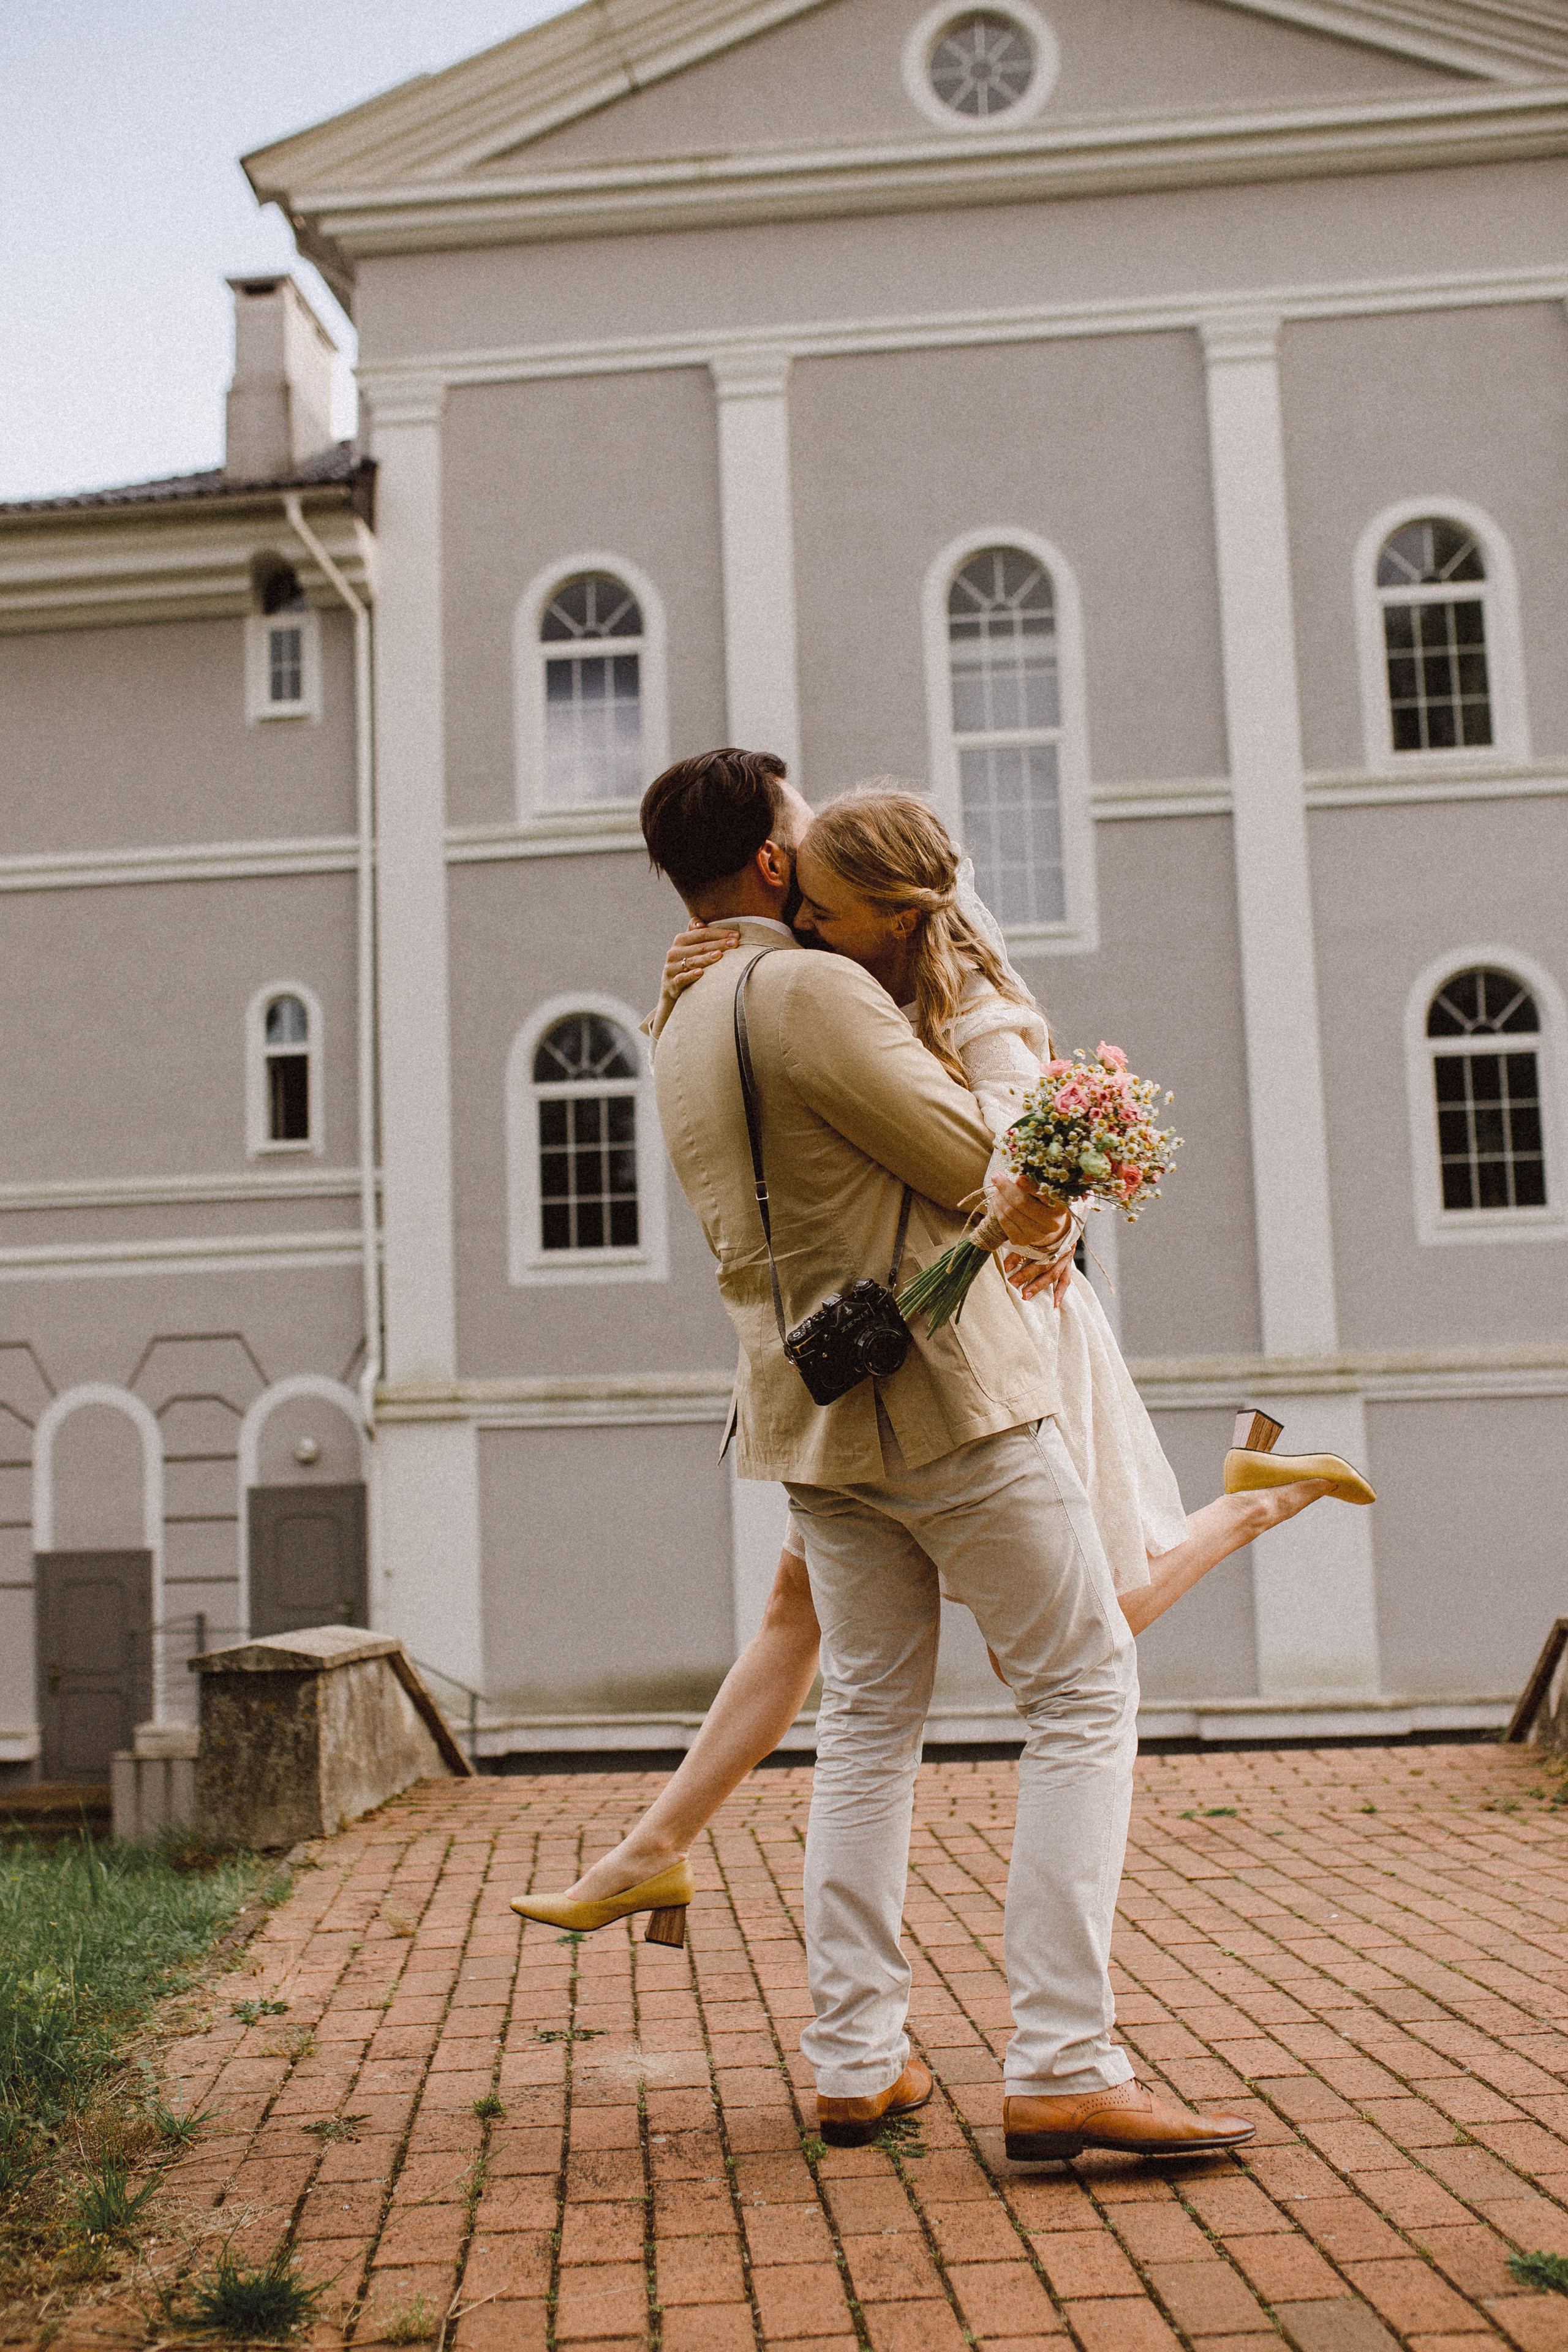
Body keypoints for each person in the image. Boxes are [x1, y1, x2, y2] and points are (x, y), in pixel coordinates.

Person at [514, 748, 1265, 2163]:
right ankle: (1061, 2062)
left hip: (803, 1413)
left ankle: (854, 2059)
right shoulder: (805, 989)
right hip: (942, 1404)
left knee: (864, 1726)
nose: (809, 850)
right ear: (770, 858)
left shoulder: (672, 1016)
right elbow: (981, 1161)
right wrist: (995, 1028)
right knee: (1084, 1693)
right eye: (797, 827)